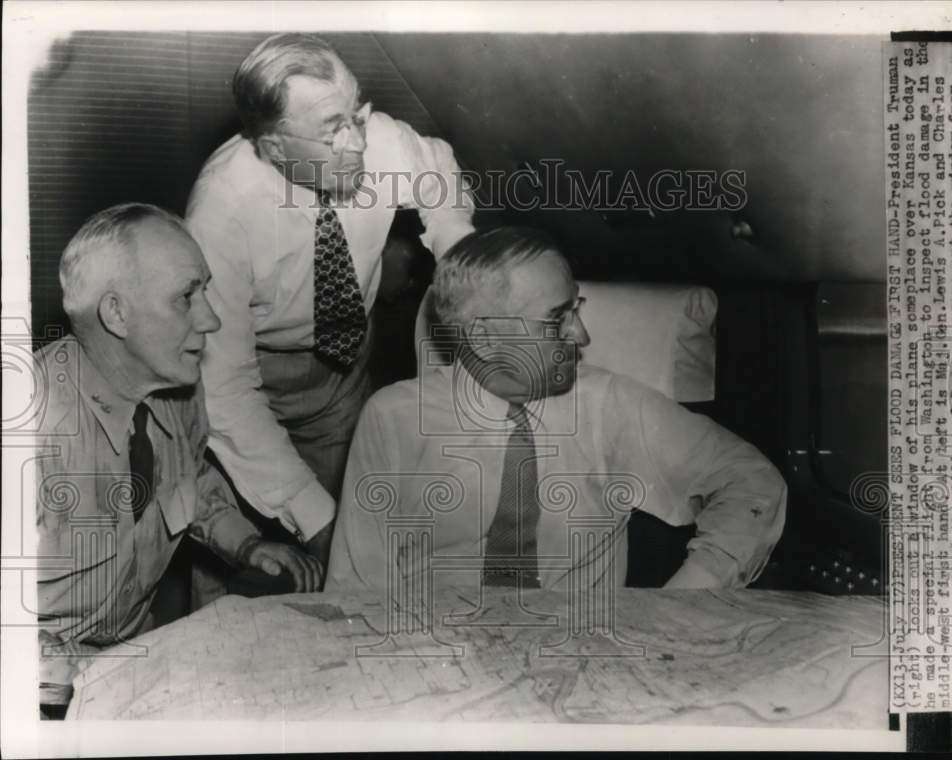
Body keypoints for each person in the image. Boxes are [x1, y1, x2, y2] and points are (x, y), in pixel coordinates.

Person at [328, 227, 787, 592]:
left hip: (576, 663)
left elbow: (752, 483)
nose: (582, 335)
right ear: (485, 340)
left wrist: (682, 603)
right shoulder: (393, 419)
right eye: (557, 319)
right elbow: (356, 587)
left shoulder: (611, 405)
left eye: (576, 308)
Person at [186, 33, 475, 569]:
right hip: (254, 381)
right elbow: (225, 388)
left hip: (344, 373)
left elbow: (437, 173)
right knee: (250, 565)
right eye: (332, 131)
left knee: (357, 536)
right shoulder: (221, 210)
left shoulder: (376, 139)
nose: (359, 143)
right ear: (274, 147)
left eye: (357, 114)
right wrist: (314, 521)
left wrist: (462, 258)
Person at [35, 204, 322, 711]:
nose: (210, 318)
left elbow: (190, 475)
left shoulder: (180, 391)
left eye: (205, 291)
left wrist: (247, 544)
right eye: (186, 297)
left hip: (137, 655)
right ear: (117, 314)